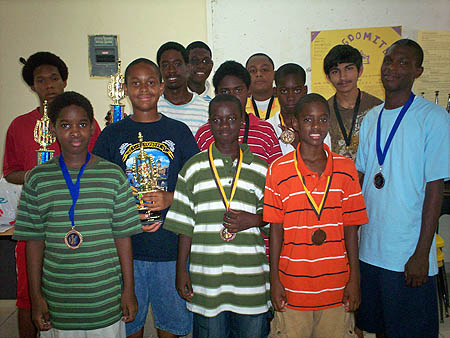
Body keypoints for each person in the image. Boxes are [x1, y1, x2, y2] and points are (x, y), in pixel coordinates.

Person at [12, 91, 141, 337]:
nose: (75, 132)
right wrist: (36, 297)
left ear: (93, 128)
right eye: (65, 125)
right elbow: (34, 242)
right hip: (58, 304)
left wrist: (129, 289)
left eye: (82, 124)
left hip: (105, 300)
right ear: (52, 129)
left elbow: (123, 237)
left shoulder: (113, 176)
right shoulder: (38, 179)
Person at [93, 58, 199, 338]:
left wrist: (170, 198)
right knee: (130, 326)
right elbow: (100, 192)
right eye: (136, 83)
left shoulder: (179, 132)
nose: (144, 89)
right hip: (126, 253)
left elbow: (198, 187)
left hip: (171, 251)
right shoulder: (111, 135)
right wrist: (127, 211)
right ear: (126, 88)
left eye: (151, 82)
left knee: (171, 327)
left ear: (162, 87)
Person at [355, 39, 450, 338]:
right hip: (370, 250)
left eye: (403, 62)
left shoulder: (433, 118)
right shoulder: (371, 119)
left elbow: (434, 189)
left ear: (417, 71)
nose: (392, 68)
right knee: (380, 329)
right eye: (388, 60)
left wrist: (422, 253)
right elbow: (361, 178)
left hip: (408, 253)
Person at [2, 51, 101, 338]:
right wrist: (40, 175)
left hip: (80, 218)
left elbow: (98, 164)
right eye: (41, 80)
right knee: (28, 295)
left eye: (54, 78)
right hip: (36, 219)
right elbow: (11, 171)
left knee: (76, 288)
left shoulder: (87, 123)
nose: (49, 85)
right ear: (32, 86)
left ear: (65, 80)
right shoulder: (19, 125)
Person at [165, 94, 271, 338]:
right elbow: (184, 227)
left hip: (250, 281)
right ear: (209, 123)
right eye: (218, 120)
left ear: (242, 121)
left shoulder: (261, 168)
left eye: (232, 118)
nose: (225, 125)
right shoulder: (192, 169)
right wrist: (182, 270)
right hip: (207, 280)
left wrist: (254, 220)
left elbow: (275, 219)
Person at [264, 93, 368, 337]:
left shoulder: (346, 169)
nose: (316, 127)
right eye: (308, 120)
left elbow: (351, 228)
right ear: (295, 124)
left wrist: (355, 278)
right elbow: (275, 229)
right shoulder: (278, 170)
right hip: (293, 286)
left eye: (322, 120)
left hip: (336, 286)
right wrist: (275, 280)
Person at [195, 60, 282, 165]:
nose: (232, 96)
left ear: (249, 91)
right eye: (225, 91)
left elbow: (275, 173)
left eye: (238, 90)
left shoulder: (265, 131)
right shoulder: (205, 133)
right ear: (216, 94)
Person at [323, 44, 382, 159]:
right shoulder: (323, 111)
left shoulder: (378, 108)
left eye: (348, 69)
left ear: (360, 71)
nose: (343, 77)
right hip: (334, 175)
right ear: (328, 77)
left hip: (369, 175)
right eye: (335, 71)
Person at [267, 63, 332, 155]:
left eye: (297, 90)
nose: (291, 97)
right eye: (284, 91)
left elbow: (325, 162)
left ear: (305, 90)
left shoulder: (317, 128)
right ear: (275, 92)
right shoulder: (268, 128)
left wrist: (299, 144)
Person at [156, 41, 209, 135]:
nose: (171, 70)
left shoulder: (205, 109)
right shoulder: (153, 108)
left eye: (177, 64)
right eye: (165, 65)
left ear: (188, 68)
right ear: (159, 71)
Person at [245, 53, 280, 120]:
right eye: (253, 70)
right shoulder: (241, 106)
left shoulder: (285, 104)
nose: (258, 74)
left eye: (264, 70)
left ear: (274, 74)